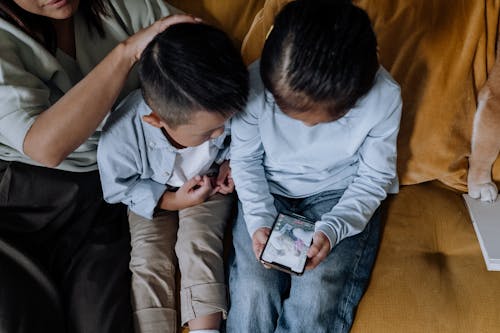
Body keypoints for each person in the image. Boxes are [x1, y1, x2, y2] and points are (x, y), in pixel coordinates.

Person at [0, 1, 199, 332]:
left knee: (103, 322)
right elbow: (46, 148)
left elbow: (204, 58)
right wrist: (125, 54)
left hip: (101, 195)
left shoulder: (120, 6)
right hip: (17, 200)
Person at [226, 1, 403, 332]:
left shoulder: (384, 97)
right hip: (269, 188)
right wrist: (259, 220)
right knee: (252, 290)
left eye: (327, 120)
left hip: (340, 194)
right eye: (289, 113)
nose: (306, 130)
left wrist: (333, 229)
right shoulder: (254, 84)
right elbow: (246, 159)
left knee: (316, 298)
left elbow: (373, 177)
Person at [97, 23, 248, 333]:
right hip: (152, 196)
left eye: (224, 123)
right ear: (157, 121)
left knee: (198, 242)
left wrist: (230, 163)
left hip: (208, 183)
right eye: (208, 132)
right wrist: (171, 201)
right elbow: (118, 189)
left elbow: (242, 140)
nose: (220, 133)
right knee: (148, 259)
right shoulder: (121, 137)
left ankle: (205, 330)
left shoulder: (224, 108)